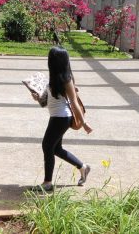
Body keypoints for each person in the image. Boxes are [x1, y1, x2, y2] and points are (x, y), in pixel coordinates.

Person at [31, 46, 92, 192]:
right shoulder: (54, 78)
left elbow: (74, 102)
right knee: (56, 148)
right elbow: (46, 102)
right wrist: (38, 98)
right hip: (56, 116)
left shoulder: (67, 80)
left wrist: (84, 123)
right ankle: (83, 167)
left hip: (62, 118)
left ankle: (47, 182)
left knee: (47, 146)